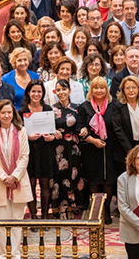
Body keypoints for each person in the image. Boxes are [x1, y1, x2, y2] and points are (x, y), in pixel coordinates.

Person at [0, 99, 32, 258]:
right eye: (3, 113)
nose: (6, 115)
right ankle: (3, 255)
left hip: (19, 182)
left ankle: (16, 254)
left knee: (17, 222)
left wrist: (15, 177)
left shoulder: (21, 131)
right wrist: (5, 177)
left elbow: (25, 156)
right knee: (1, 224)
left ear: (13, 114)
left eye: (9, 112)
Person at [78, 76, 120, 224]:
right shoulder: (85, 106)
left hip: (110, 149)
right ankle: (97, 211)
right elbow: (80, 127)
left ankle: (106, 211)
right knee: (94, 181)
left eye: (102, 87)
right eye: (96, 88)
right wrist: (92, 140)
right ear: (91, 89)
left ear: (107, 89)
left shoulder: (114, 104)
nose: (99, 90)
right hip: (91, 149)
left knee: (108, 181)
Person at [18, 80, 60, 220]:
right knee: (30, 185)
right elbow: (17, 134)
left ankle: (45, 217)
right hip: (29, 152)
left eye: (39, 91)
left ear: (43, 93)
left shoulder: (48, 109)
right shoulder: (22, 110)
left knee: (45, 185)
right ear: (28, 93)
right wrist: (27, 137)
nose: (36, 94)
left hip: (45, 151)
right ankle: (34, 216)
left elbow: (53, 132)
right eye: (33, 91)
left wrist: (52, 137)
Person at [50, 79, 83, 218]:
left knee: (73, 174)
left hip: (73, 146)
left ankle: (71, 205)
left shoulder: (76, 108)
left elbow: (80, 125)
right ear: (55, 92)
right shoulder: (51, 109)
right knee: (59, 176)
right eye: (58, 90)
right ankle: (59, 206)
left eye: (64, 89)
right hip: (58, 147)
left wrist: (84, 129)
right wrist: (53, 131)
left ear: (69, 90)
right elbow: (46, 127)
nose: (61, 92)